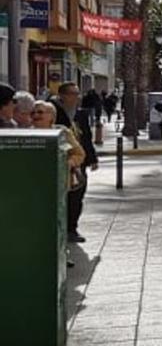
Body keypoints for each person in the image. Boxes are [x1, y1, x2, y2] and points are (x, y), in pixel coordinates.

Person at [32, 100, 84, 268]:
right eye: (34, 113)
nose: (36, 116)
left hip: (58, 186)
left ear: (51, 117)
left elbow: (78, 153)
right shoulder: (26, 133)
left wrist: (68, 162)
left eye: (41, 112)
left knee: (58, 224)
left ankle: (62, 255)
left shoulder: (62, 132)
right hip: (34, 187)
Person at [52, 82, 97, 243]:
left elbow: (86, 138)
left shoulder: (81, 114)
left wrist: (92, 158)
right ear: (62, 95)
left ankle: (72, 228)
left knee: (78, 195)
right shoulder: (53, 112)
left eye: (77, 93)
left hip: (79, 161)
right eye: (72, 93)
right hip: (62, 160)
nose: (76, 97)